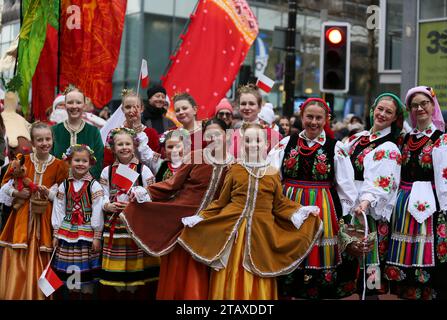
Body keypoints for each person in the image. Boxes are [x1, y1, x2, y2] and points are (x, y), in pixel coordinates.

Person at [179, 123, 323, 300]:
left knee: (258, 271)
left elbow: (279, 204)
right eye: (248, 140)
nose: (253, 145)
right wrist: (200, 217)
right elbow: (221, 202)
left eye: (257, 140)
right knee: (231, 273)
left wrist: (299, 211)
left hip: (261, 233)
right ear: (242, 143)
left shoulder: (272, 173)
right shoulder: (235, 169)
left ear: (265, 143)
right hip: (232, 233)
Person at [121, 119, 233, 299]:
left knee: (199, 264)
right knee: (179, 264)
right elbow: (173, 184)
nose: (214, 138)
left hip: (209, 222)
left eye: (217, 134)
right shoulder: (196, 155)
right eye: (209, 134)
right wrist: (147, 192)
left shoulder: (233, 164)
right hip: (181, 217)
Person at [268, 97, 358, 299]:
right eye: (309, 117)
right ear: (302, 117)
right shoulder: (285, 143)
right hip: (290, 205)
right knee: (291, 248)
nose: (314, 122)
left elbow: (346, 187)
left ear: (326, 119)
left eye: (319, 118)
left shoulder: (336, 147)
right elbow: (272, 176)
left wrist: (346, 216)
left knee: (320, 250)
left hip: (323, 206)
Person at [385, 86, 447, 300]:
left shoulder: (442, 139)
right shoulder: (403, 140)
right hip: (404, 202)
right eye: (415, 105)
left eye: (424, 103)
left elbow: (445, 179)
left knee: (428, 252)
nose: (420, 108)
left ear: (433, 106)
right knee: (405, 255)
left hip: (431, 203)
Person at [343, 93, 405, 296]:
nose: (382, 114)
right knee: (352, 262)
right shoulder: (357, 138)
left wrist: (366, 201)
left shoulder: (389, 147)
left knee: (371, 262)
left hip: (368, 211)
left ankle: (371, 294)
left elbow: (381, 183)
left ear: (396, 118)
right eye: (380, 109)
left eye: (389, 112)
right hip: (351, 205)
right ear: (372, 110)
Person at [0, 122, 68, 300]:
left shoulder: (60, 166)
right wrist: (17, 192)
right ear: (32, 142)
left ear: (52, 139)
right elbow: (4, 188)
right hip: (21, 218)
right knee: (19, 254)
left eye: (47, 139)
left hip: (45, 218)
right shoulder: (23, 160)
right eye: (40, 140)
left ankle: (38, 295)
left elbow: (63, 195)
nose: (44, 143)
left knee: (42, 256)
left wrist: (50, 193)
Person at [99, 127, 159, 299]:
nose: (124, 147)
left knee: (137, 275)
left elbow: (152, 195)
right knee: (117, 279)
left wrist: (140, 196)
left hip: (136, 227)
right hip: (115, 228)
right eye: (120, 144)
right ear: (113, 148)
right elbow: (102, 195)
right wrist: (107, 205)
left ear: (134, 146)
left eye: (127, 143)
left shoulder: (144, 170)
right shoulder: (107, 171)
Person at [51, 144, 104, 299]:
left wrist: (96, 236)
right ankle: (72, 294)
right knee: (70, 270)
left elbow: (98, 210)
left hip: (86, 234)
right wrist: (56, 233)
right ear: (69, 161)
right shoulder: (64, 185)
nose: (80, 164)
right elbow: (58, 209)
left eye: (84, 161)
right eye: (77, 160)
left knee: (86, 272)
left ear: (90, 163)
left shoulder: (94, 186)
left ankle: (86, 295)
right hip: (67, 233)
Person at [51, 86, 104, 179]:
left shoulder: (93, 132)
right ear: (65, 104)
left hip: (87, 187)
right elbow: (49, 160)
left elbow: (99, 161)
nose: (74, 106)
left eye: (78, 102)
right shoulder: (54, 131)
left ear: (84, 105)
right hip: (58, 186)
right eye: (70, 102)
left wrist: (85, 182)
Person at [103, 90, 160, 167]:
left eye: (136, 107)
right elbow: (107, 162)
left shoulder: (151, 133)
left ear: (142, 108)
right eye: (128, 107)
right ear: (123, 109)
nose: (132, 111)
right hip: (118, 176)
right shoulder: (113, 133)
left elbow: (155, 163)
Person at [230, 84, 281, 160]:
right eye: (243, 104)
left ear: (260, 107)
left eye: (251, 104)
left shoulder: (273, 135)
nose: (247, 107)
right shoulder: (232, 135)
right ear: (239, 106)